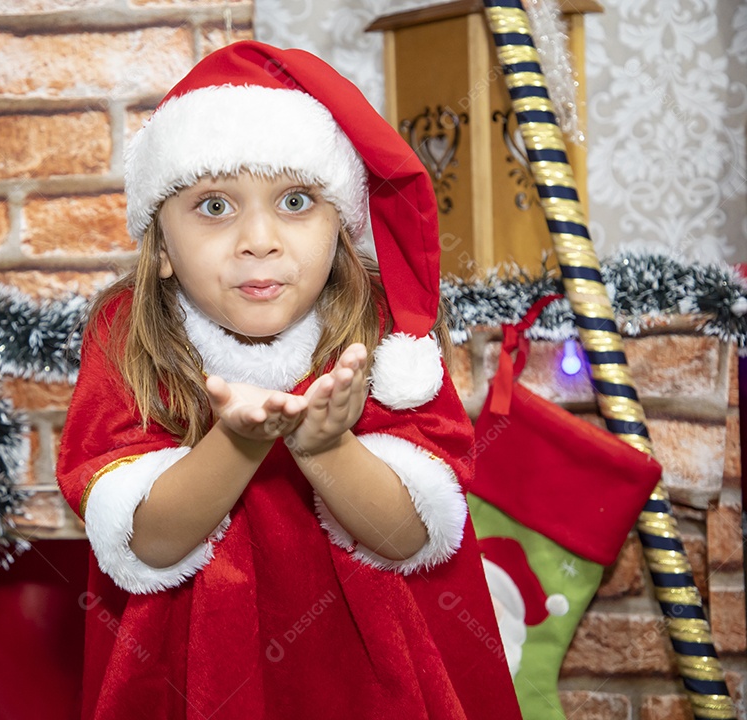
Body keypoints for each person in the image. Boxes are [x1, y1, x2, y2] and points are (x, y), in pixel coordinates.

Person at [57, 40, 521, 720]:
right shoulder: (128, 339)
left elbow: (411, 538)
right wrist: (237, 446)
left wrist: (326, 447)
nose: (259, 239)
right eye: (215, 206)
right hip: (196, 680)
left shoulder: (389, 340)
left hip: (372, 682)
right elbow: (146, 545)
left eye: (296, 200)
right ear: (159, 247)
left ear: (340, 224)